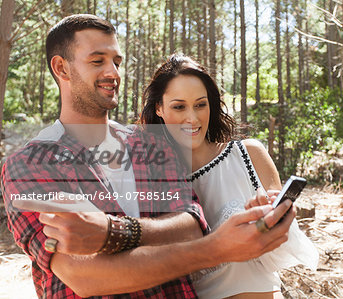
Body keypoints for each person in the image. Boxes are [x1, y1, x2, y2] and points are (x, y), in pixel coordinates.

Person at [1, 14, 296, 298]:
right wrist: (215, 247)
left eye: (117, 62)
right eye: (97, 61)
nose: (113, 73)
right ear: (61, 68)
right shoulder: (30, 164)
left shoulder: (150, 145)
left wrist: (112, 233)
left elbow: (191, 226)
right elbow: (85, 276)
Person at [140, 54, 318, 299]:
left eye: (200, 104)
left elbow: (281, 251)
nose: (192, 118)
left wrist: (269, 224)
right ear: (159, 108)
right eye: (179, 106)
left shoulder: (248, 154)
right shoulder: (151, 178)